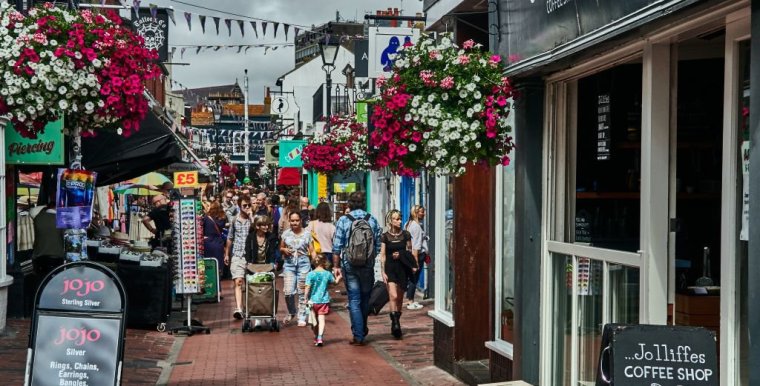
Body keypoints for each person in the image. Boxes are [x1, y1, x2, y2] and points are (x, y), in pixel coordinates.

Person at [332, 191, 381, 345]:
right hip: (367, 264)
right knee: (365, 298)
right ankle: (362, 329)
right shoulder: (371, 219)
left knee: (354, 299)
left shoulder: (343, 220)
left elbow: (337, 246)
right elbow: (378, 244)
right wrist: (370, 257)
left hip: (350, 264)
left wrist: (336, 266)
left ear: (350, 204)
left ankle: (358, 334)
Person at [380, 209, 417, 339]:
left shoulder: (406, 235)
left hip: (402, 268)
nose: (399, 221)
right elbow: (383, 255)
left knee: (400, 298)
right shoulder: (385, 236)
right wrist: (382, 271)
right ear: (390, 221)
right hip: (390, 268)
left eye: (400, 218)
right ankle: (395, 323)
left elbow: (409, 252)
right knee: (393, 296)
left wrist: (406, 259)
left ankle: (397, 322)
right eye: (396, 219)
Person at [279, 211, 314, 327]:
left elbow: (312, 250)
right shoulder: (285, 234)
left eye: (297, 220)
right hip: (289, 264)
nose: (294, 223)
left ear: (301, 221)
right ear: (289, 221)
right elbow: (281, 247)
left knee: (302, 292)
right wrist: (284, 250)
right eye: (292, 220)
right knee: (288, 292)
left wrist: (318, 262)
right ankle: (291, 311)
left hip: (304, 263)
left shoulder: (307, 234)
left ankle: (302, 316)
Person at [224, 195, 253, 320]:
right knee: (238, 281)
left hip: (251, 256)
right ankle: (239, 308)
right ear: (239, 207)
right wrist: (226, 253)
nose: (247, 208)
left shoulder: (254, 219)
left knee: (251, 283)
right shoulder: (235, 220)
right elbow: (230, 237)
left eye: (248, 205)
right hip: (237, 254)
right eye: (244, 206)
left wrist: (251, 217)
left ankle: (249, 307)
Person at [305, 254, 339, 347]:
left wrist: (305, 298)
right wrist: (339, 277)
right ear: (325, 262)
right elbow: (335, 283)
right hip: (323, 301)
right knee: (322, 320)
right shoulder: (327, 274)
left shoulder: (310, 274)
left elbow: (307, 287)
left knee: (313, 321)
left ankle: (316, 336)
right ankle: (320, 337)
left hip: (313, 301)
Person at [32, 196, 65, 278]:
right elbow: (65, 239)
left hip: (38, 258)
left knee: (40, 280)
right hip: (56, 258)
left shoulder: (38, 217)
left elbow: (32, 211)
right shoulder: (60, 220)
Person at [404, 205, 428, 310]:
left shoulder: (408, 224)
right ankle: (410, 301)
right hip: (417, 255)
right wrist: (416, 262)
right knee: (414, 278)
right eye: (422, 212)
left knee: (412, 278)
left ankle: (409, 298)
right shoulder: (416, 227)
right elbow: (416, 246)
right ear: (416, 213)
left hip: (410, 254)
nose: (424, 214)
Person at [203, 201, 228, 291]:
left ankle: (209, 288)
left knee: (208, 266)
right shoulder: (223, 218)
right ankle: (218, 289)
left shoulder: (206, 218)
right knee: (218, 267)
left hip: (208, 243)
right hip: (218, 243)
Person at [311, 202, 336, 270]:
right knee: (327, 276)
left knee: (315, 275)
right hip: (328, 254)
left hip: (316, 253)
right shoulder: (332, 227)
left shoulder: (312, 224)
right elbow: (335, 243)